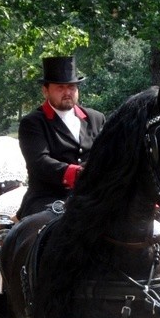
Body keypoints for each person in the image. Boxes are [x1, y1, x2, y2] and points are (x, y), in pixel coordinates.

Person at [16, 56, 105, 219]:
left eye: (72, 87)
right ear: (45, 90)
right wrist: (78, 174)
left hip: (91, 196)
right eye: (60, 88)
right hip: (47, 198)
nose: (67, 93)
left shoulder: (96, 118)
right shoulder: (33, 123)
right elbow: (39, 162)